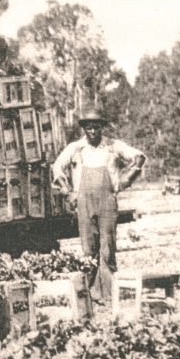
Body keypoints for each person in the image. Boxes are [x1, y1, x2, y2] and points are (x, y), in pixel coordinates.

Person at [51, 109, 146, 305]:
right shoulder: (76, 148)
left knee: (108, 247)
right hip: (84, 202)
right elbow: (57, 166)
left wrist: (124, 182)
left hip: (107, 202)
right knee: (88, 248)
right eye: (89, 127)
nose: (93, 131)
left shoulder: (113, 146)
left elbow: (139, 157)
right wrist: (67, 192)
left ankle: (110, 293)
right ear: (84, 129)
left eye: (96, 127)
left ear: (101, 127)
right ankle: (92, 294)